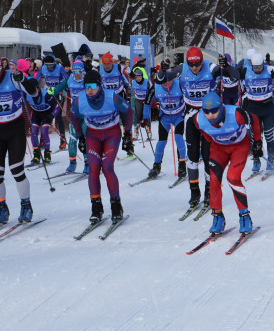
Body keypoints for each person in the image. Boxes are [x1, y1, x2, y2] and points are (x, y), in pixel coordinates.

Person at [0, 53, 40, 224]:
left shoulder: (13, 78)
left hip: (14, 129)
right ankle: (1, 209)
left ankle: (26, 205)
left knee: (16, 169)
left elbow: (34, 93)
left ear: (1, 69)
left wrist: (24, 80)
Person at [185, 92, 261, 236]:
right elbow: (205, 133)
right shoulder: (198, 119)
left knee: (233, 177)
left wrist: (257, 142)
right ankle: (217, 217)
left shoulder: (236, 114)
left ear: (221, 107)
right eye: (206, 111)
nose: (210, 114)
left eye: (214, 110)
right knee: (213, 180)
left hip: (239, 146)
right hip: (218, 148)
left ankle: (245, 216)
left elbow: (254, 119)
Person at [70, 69, 133, 225]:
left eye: (92, 85)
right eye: (86, 86)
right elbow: (73, 116)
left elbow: (129, 111)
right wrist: (80, 137)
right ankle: (96, 207)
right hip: (93, 135)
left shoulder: (112, 97)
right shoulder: (80, 100)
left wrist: (127, 135)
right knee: (93, 167)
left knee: (107, 167)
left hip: (112, 134)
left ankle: (116, 205)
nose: (89, 89)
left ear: (99, 85)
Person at [177, 46, 224, 210]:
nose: (194, 67)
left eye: (197, 64)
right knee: (193, 156)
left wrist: (224, 66)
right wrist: (162, 71)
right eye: (191, 64)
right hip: (190, 116)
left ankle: (208, 192)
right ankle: (194, 192)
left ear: (202, 61)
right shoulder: (183, 69)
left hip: (207, 116)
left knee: (207, 156)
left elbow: (222, 70)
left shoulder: (209, 67)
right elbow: (162, 78)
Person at [237, 48, 274, 175]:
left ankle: (271, 159)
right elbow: (232, 74)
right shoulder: (246, 70)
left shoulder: (269, 70)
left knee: (268, 136)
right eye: (255, 67)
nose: (257, 69)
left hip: (267, 108)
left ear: (263, 64)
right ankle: (256, 160)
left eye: (259, 67)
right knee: (255, 137)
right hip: (253, 108)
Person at [146, 67, 187, 181]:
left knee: (178, 138)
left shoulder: (179, 84)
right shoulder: (156, 86)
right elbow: (147, 101)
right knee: (161, 141)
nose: (166, 84)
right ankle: (156, 166)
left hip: (179, 116)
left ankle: (182, 165)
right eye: (163, 83)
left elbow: (188, 98)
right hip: (165, 117)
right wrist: (145, 117)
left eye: (168, 81)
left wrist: (187, 112)